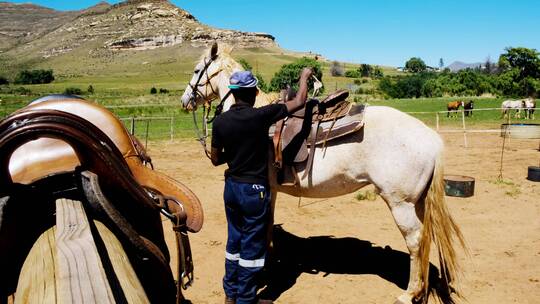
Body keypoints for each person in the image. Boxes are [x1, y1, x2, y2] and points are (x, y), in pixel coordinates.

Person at [211, 68, 313, 304]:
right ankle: (246, 298)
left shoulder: (220, 122)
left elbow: (216, 159)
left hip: (231, 188)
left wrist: (236, 155)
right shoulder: (261, 115)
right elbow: (299, 101)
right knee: (252, 247)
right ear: (255, 92)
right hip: (254, 192)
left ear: (233, 93)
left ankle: (230, 293)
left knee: (233, 241)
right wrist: (304, 77)